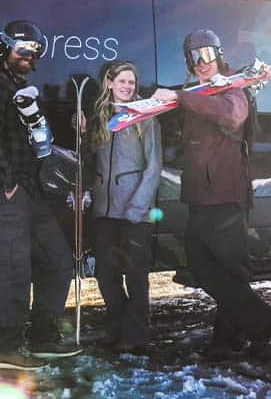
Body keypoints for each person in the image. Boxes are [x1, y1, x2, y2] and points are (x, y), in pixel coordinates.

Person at [152, 29, 271, 357]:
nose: (202, 63)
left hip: (225, 194)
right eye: (195, 57)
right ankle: (241, 331)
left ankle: (236, 335)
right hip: (200, 193)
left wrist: (180, 97)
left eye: (207, 54)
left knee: (229, 270)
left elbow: (232, 116)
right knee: (202, 264)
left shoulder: (232, 85)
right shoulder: (201, 89)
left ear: (219, 54)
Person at [0, 20, 83, 371]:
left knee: (58, 259)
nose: (28, 56)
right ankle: (6, 347)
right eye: (22, 49)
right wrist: (7, 182)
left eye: (34, 51)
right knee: (13, 268)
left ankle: (43, 337)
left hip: (32, 193)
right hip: (9, 191)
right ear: (5, 48)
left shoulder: (22, 87)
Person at [78, 60, 162, 352]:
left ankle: (136, 335)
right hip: (104, 210)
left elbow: (154, 165)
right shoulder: (100, 115)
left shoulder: (145, 115)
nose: (127, 87)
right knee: (106, 274)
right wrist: (82, 132)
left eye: (131, 82)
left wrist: (139, 206)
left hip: (135, 211)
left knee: (136, 274)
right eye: (122, 81)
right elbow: (89, 161)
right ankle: (117, 327)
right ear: (109, 83)